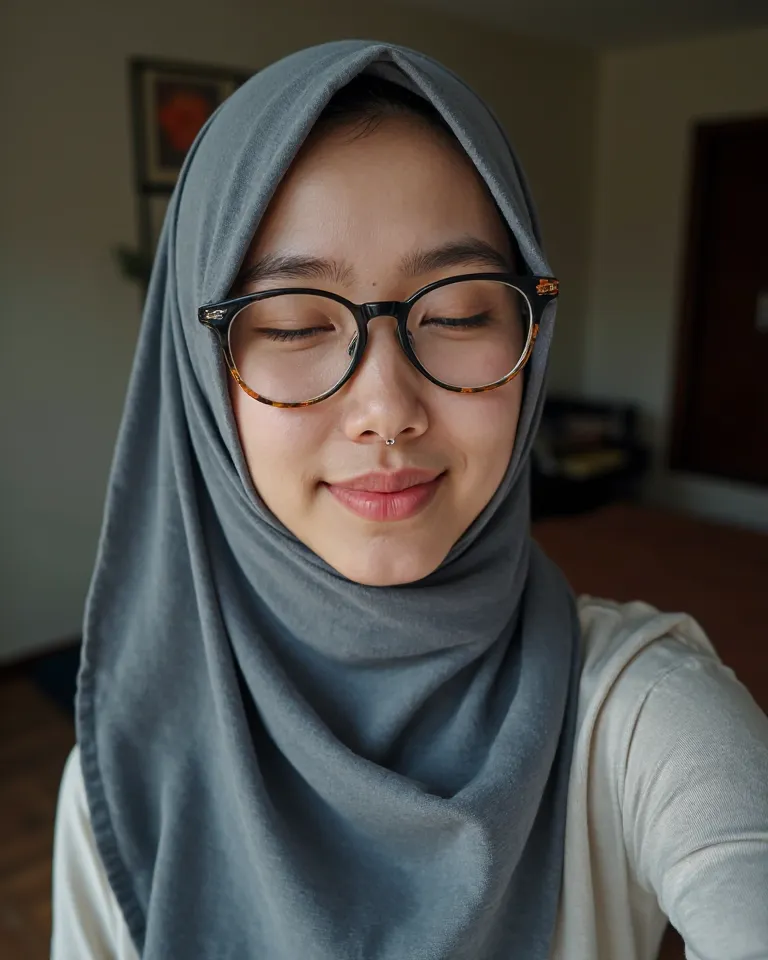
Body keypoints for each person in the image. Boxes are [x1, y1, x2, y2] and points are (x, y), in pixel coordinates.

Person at [51, 41, 768, 960]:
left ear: (531, 332)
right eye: (295, 324)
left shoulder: (637, 719)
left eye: (462, 312)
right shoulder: (123, 777)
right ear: (201, 377)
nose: (387, 409)